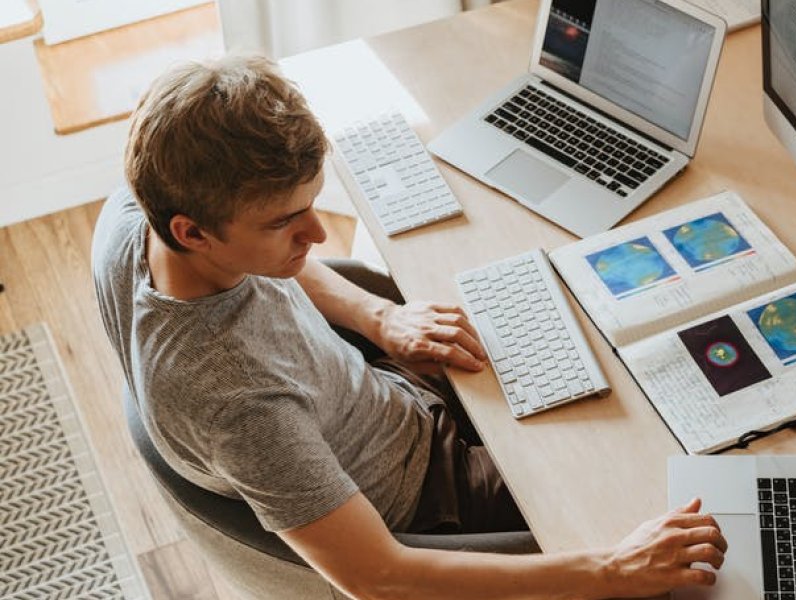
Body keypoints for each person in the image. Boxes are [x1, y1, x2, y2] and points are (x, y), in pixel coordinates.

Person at [91, 54, 726, 599]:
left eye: (310, 205)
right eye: (287, 222)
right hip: (427, 498)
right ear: (192, 231)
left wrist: (382, 317)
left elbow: (273, 262)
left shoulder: (137, 214)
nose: (314, 235)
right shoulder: (239, 406)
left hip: (384, 399)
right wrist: (611, 569)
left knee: (601, 351)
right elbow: (378, 578)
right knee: (676, 524)